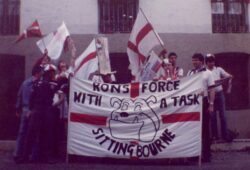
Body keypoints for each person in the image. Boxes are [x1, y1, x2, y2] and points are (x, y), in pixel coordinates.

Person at [187, 53, 215, 162]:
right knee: (193, 129)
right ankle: (194, 154)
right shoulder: (190, 72)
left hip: (203, 102)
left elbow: (212, 89)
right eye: (193, 60)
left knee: (204, 130)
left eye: (196, 60)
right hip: (192, 103)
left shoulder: (208, 73)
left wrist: (211, 104)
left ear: (202, 61)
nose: (194, 62)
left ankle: (206, 155)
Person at [28, 64, 59, 163]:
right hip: (45, 111)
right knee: (46, 134)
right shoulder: (52, 83)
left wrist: (31, 109)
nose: (54, 74)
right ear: (49, 73)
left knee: (34, 134)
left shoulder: (37, 83)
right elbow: (54, 90)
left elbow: (31, 97)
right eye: (53, 72)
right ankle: (45, 157)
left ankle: (29, 156)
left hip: (36, 110)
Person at [14, 66, 43, 163]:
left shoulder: (25, 83)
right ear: (37, 73)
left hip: (24, 109)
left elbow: (19, 95)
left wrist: (18, 109)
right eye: (41, 73)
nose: (42, 74)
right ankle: (33, 156)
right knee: (34, 133)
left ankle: (17, 154)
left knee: (22, 133)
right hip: (33, 110)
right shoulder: (38, 84)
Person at [205, 53, 233, 141]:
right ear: (206, 62)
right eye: (209, 61)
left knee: (223, 115)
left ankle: (225, 135)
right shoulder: (204, 71)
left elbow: (229, 76)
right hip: (210, 94)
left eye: (212, 61)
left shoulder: (219, 69)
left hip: (219, 93)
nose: (211, 63)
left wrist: (228, 85)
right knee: (212, 116)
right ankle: (214, 136)